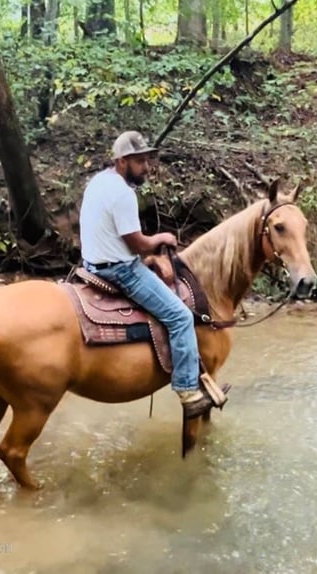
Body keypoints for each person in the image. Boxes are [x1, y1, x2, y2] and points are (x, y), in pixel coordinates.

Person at [79, 130, 224, 419]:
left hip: (92, 263)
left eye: (147, 160)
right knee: (181, 316)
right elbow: (136, 243)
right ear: (122, 161)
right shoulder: (122, 193)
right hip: (120, 270)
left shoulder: (99, 182)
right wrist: (162, 238)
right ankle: (188, 391)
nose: (147, 167)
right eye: (140, 161)